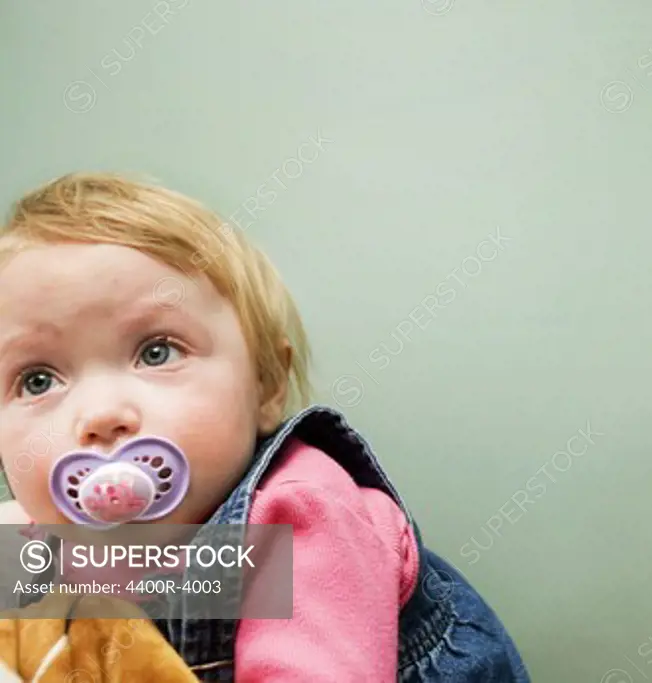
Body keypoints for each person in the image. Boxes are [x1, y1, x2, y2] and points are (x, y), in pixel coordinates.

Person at [0, 172, 530, 682]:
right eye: (38, 380)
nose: (100, 415)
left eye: (156, 351)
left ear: (267, 384)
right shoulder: (33, 541)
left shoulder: (297, 516)